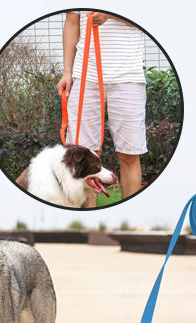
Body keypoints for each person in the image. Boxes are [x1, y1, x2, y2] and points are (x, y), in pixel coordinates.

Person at [57, 11, 147, 207]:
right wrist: (67, 72)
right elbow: (72, 22)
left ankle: (129, 224)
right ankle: (87, 224)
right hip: (84, 76)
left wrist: (111, 15)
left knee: (129, 154)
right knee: (81, 155)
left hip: (128, 76)